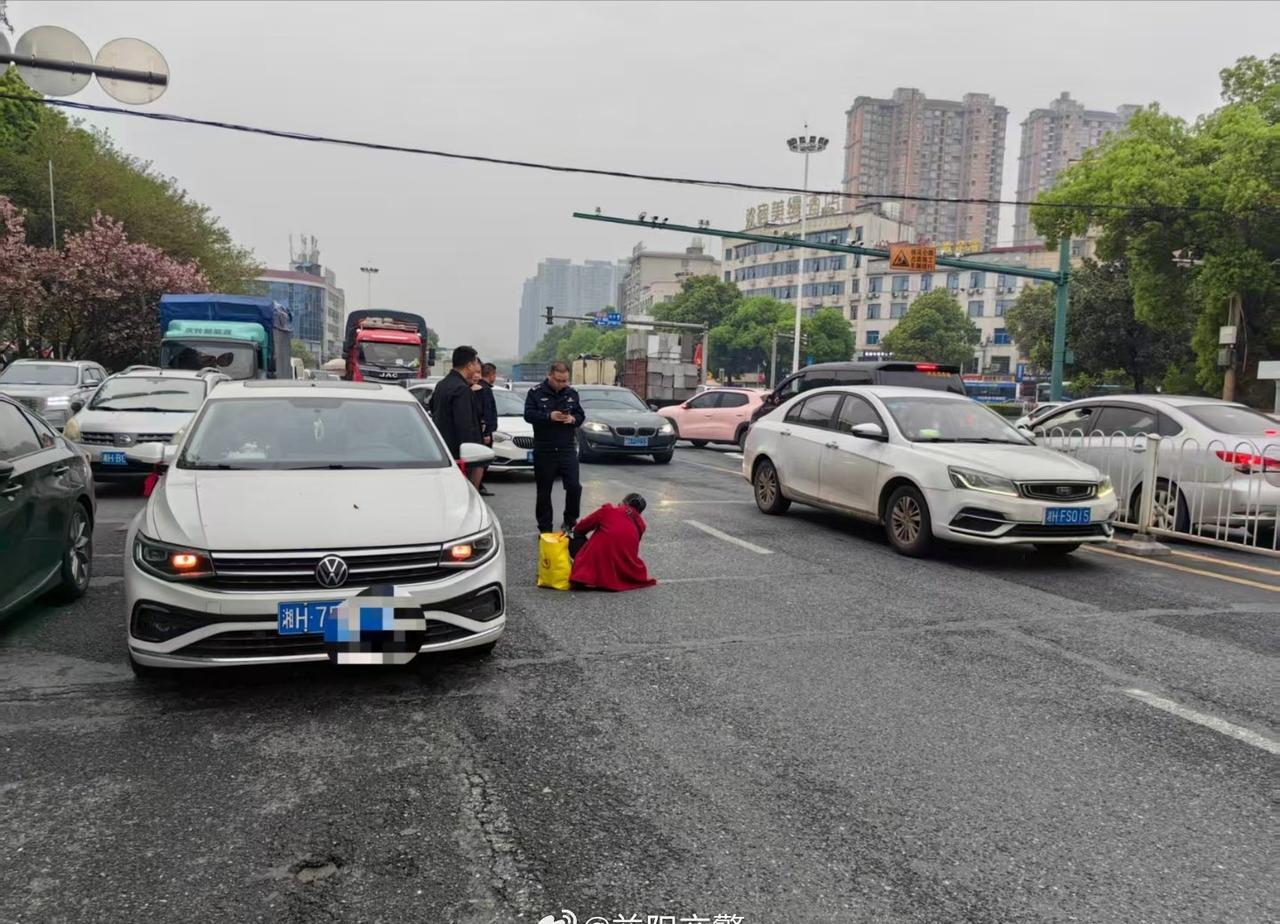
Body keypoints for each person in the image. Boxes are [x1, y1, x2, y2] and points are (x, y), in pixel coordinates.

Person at [524, 361, 585, 534]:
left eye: (565, 380)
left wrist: (573, 419)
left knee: (574, 487)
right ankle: (545, 528)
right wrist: (548, 416)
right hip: (545, 449)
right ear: (549, 376)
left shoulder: (572, 393)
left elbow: (581, 415)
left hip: (566, 448)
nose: (562, 384)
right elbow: (528, 415)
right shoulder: (536, 393)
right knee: (544, 491)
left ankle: (569, 521)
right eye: (558, 380)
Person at [569, 493, 657, 592]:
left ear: (623, 502)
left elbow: (580, 527)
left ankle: (583, 569)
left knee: (573, 533)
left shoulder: (608, 511)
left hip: (595, 568)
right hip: (623, 569)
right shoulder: (640, 525)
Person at [429, 346, 484, 483]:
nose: (477, 367)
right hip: (459, 456)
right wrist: (471, 455)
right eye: (476, 363)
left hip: (442, 451)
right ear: (470, 365)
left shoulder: (442, 384)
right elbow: (464, 425)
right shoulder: (461, 389)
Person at [472, 362, 499, 497]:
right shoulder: (484, 389)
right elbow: (486, 411)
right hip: (484, 431)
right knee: (483, 460)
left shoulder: (479, 387)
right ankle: (478, 485)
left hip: (482, 430)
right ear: (491, 375)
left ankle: (479, 485)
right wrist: (487, 431)